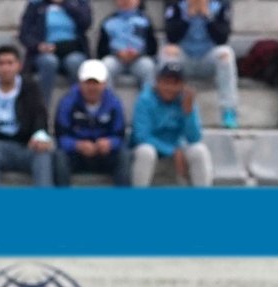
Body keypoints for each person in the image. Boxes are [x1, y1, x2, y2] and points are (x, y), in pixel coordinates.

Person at [0, 45, 55, 187]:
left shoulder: (30, 87)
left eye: (10, 63)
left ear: (19, 66)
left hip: (26, 145)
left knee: (43, 150)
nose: (5, 68)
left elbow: (40, 115)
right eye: (1, 64)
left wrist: (39, 135)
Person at [130, 62, 213, 186]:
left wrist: (188, 113)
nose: (170, 88)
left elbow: (194, 138)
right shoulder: (145, 99)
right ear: (157, 82)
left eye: (175, 83)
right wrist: (171, 151)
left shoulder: (186, 99)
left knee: (200, 150)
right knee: (146, 151)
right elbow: (141, 136)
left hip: (178, 154)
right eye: (166, 82)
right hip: (154, 154)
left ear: (182, 85)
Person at [161, 0, 240, 129]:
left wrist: (208, 16)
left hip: (208, 57)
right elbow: (171, 36)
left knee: (226, 54)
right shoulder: (176, 4)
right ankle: (166, 110)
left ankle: (228, 110)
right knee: (167, 52)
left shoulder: (220, 5)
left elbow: (222, 38)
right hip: (184, 57)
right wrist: (188, 16)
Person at [54, 59, 131, 186]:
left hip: (104, 154)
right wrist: (77, 145)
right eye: (87, 83)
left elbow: (120, 135)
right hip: (76, 154)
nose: (92, 88)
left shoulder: (114, 103)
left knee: (123, 155)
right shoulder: (67, 102)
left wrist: (110, 143)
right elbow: (60, 136)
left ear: (104, 84)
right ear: (80, 83)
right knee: (60, 157)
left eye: (96, 83)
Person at [19, 0, 93, 99]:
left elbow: (86, 23)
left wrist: (65, 4)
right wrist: (38, 46)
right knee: (49, 61)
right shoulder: (36, 4)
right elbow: (24, 34)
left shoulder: (78, 3)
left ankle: (78, 103)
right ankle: (43, 105)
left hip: (73, 49)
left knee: (75, 62)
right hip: (45, 52)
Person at [97, 0, 159, 90]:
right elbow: (101, 50)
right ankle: (109, 98)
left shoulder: (145, 21)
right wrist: (117, 53)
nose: (126, 1)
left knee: (148, 66)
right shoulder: (108, 22)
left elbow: (153, 48)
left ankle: (147, 97)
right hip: (116, 59)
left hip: (138, 59)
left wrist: (139, 53)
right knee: (106, 65)